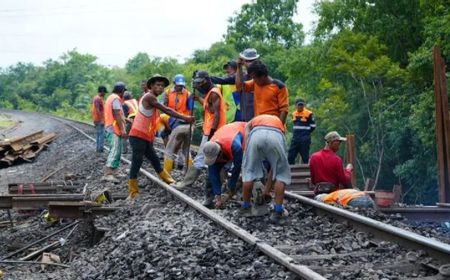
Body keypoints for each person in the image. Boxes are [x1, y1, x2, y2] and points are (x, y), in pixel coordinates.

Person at [127, 74, 195, 199]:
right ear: (151, 86)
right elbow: (167, 110)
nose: (160, 87)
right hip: (137, 136)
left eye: (162, 86)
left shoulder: (152, 98)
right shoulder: (149, 97)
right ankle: (133, 192)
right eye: (157, 85)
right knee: (137, 162)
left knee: (155, 160)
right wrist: (185, 117)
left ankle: (170, 181)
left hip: (144, 137)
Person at [175, 70, 226, 189]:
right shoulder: (210, 93)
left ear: (207, 80)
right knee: (218, 158)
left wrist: (212, 132)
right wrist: (198, 99)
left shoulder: (214, 93)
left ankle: (186, 183)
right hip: (211, 130)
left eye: (200, 83)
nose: (199, 86)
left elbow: (217, 114)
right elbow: (210, 108)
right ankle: (221, 185)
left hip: (214, 131)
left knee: (200, 157)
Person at [240, 114, 291, 221]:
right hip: (276, 135)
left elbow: (247, 131)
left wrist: (248, 150)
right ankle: (278, 211)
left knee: (249, 172)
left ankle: (246, 208)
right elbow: (275, 168)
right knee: (281, 174)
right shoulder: (279, 122)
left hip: (256, 135)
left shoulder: (254, 120)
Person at [202, 121, 246, 208]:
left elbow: (237, 169)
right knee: (210, 175)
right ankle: (210, 198)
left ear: (220, 153)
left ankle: (248, 198)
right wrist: (218, 196)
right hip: (227, 133)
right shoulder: (211, 147)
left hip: (244, 132)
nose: (214, 161)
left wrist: (232, 186)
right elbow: (213, 174)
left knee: (248, 172)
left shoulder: (235, 147)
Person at [210, 48, 260, 121]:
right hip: (244, 116)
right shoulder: (241, 77)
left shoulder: (262, 75)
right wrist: (206, 78)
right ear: (243, 62)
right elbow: (223, 80)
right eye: (247, 61)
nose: (250, 63)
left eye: (252, 61)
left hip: (259, 116)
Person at [103, 82, 128, 182]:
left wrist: (126, 120)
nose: (124, 93)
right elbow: (117, 114)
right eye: (124, 91)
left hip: (111, 126)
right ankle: (108, 173)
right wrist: (122, 129)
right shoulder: (116, 99)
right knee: (114, 150)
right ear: (121, 91)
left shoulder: (110, 97)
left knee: (117, 150)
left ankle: (115, 171)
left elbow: (118, 114)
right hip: (114, 128)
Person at [287, 98, 316, 164]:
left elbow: (313, 127)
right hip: (295, 139)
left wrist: (306, 134)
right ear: (296, 106)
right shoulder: (293, 114)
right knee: (290, 156)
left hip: (304, 140)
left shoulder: (309, 114)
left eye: (302, 105)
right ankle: (292, 172)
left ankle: (307, 173)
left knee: (305, 158)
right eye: (299, 105)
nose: (300, 106)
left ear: (304, 105)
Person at [91, 85, 107, 153]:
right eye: (104, 92)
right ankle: (100, 149)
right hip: (99, 120)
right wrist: (102, 120)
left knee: (98, 134)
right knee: (101, 134)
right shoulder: (98, 99)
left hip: (97, 119)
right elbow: (98, 110)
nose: (105, 94)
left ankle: (98, 148)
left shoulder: (97, 98)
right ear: (102, 91)